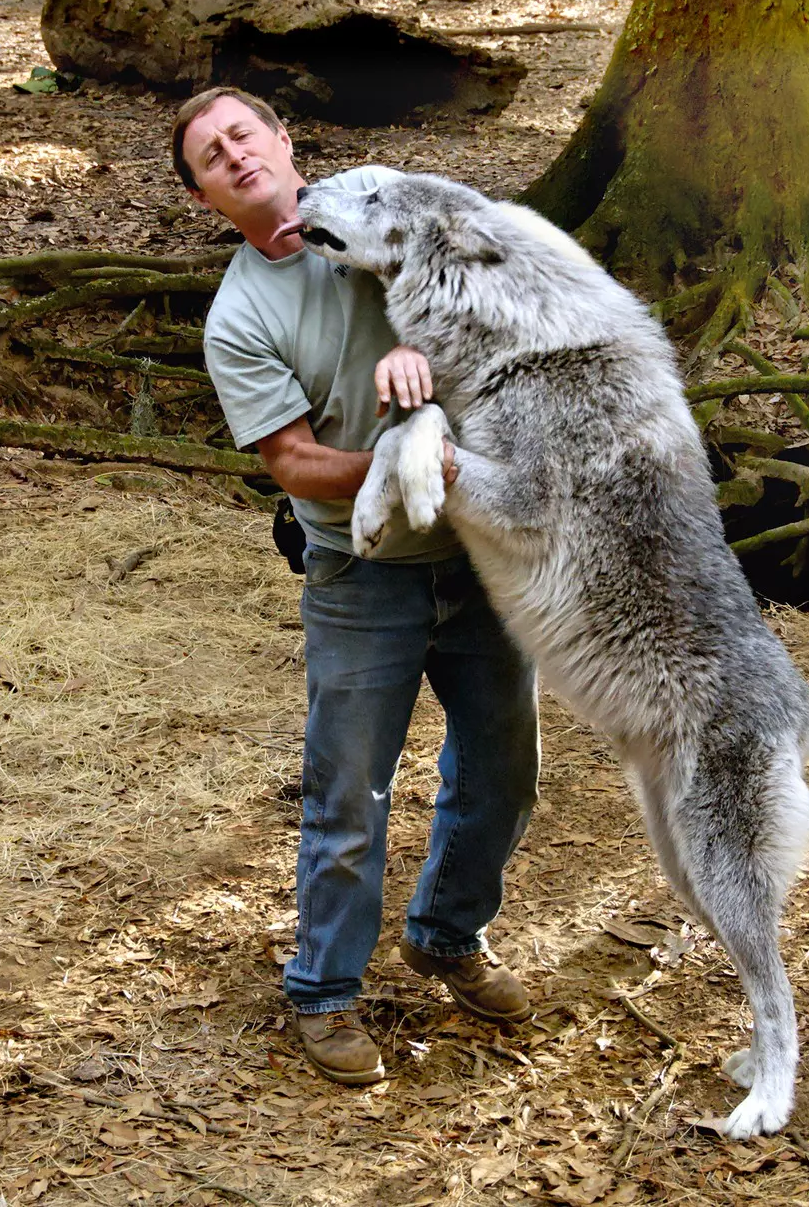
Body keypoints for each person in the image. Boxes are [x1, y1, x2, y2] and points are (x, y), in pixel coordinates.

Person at [176, 86, 540, 1086]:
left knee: (506, 773)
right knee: (349, 797)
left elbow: (502, 311)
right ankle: (323, 992)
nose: (236, 154)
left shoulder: (391, 214)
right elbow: (293, 464)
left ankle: (446, 935)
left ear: (285, 143)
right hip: (358, 570)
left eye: (244, 132)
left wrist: (429, 336)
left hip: (475, 557)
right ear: (209, 197)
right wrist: (415, 461)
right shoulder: (239, 316)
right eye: (212, 155)